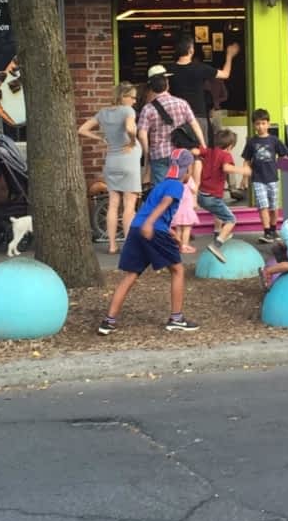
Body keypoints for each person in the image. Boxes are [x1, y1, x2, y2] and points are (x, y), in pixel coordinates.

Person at [98, 146, 199, 336]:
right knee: (178, 270)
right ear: (186, 169)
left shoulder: (160, 185)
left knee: (131, 274)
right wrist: (150, 223)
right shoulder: (176, 185)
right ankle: (176, 319)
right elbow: (165, 203)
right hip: (151, 229)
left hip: (137, 229)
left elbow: (154, 213)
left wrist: (176, 238)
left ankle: (108, 321)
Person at [79, 83, 142, 255]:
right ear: (123, 96)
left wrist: (101, 139)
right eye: (132, 97)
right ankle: (129, 245)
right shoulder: (128, 111)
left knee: (113, 204)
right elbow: (130, 128)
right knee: (129, 205)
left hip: (112, 161)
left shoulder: (103, 113)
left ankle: (112, 245)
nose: (134, 101)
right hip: (128, 161)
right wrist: (132, 141)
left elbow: (82, 129)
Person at [135, 68, 203, 184]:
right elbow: (194, 124)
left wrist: (147, 154)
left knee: (162, 188)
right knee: (179, 187)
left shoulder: (148, 108)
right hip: (180, 151)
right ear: (166, 84)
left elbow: (142, 135)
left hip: (159, 153)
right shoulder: (181, 103)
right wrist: (203, 144)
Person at [169, 34, 240, 143]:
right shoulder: (200, 68)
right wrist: (229, 55)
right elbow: (225, 74)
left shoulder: (169, 70)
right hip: (199, 117)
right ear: (191, 50)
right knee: (201, 150)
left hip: (177, 117)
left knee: (179, 151)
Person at [197, 128, 249, 262]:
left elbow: (196, 151)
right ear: (230, 146)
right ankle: (216, 244)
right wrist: (243, 170)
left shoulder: (209, 151)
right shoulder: (226, 155)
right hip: (212, 197)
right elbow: (227, 168)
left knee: (218, 212)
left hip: (201, 196)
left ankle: (218, 233)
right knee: (231, 220)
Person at [242, 109, 288, 243]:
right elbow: (247, 161)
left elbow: (284, 155)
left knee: (273, 207)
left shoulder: (274, 140)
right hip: (258, 179)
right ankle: (267, 231)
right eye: (257, 124)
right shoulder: (251, 142)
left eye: (263, 123)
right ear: (254, 125)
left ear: (268, 124)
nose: (260, 126)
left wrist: (284, 169)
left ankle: (274, 230)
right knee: (263, 206)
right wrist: (244, 178)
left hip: (273, 178)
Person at [170, 126, 201, 255]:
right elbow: (194, 189)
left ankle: (178, 246)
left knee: (178, 228)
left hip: (177, 209)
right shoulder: (188, 180)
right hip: (187, 209)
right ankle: (185, 246)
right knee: (187, 228)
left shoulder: (175, 181)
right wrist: (195, 201)